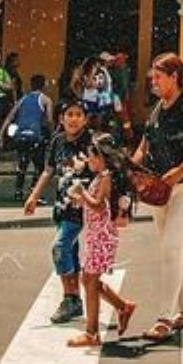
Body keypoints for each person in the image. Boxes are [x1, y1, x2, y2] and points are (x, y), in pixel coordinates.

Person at [132, 52, 183, 342]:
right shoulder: (158, 108)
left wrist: (178, 172)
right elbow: (145, 144)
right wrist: (133, 169)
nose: (153, 80)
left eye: (158, 75)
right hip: (160, 188)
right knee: (174, 249)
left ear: (175, 76)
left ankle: (164, 317)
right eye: (152, 76)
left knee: (170, 246)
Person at [24, 99, 93, 324]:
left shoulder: (92, 143)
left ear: (85, 119)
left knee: (60, 247)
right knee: (70, 252)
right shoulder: (57, 141)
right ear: (61, 119)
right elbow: (48, 171)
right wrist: (34, 196)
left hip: (81, 206)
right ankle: (74, 299)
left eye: (78, 114)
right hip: (62, 205)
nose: (73, 119)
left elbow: (105, 172)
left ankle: (70, 298)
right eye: (69, 114)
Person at [65, 134, 136, 348]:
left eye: (91, 157)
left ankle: (92, 333)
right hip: (96, 234)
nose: (89, 161)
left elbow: (97, 205)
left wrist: (81, 192)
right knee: (89, 280)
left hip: (102, 237)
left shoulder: (106, 177)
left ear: (101, 157)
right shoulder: (101, 176)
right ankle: (123, 306)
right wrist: (80, 199)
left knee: (89, 279)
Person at [0, 73, 54, 200]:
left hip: (20, 135)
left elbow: (9, 117)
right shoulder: (46, 99)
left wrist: (0, 135)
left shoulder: (22, 99)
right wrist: (52, 134)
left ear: (31, 85)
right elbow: (49, 120)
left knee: (22, 163)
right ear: (44, 85)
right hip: (35, 135)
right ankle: (34, 192)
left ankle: (18, 191)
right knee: (39, 165)